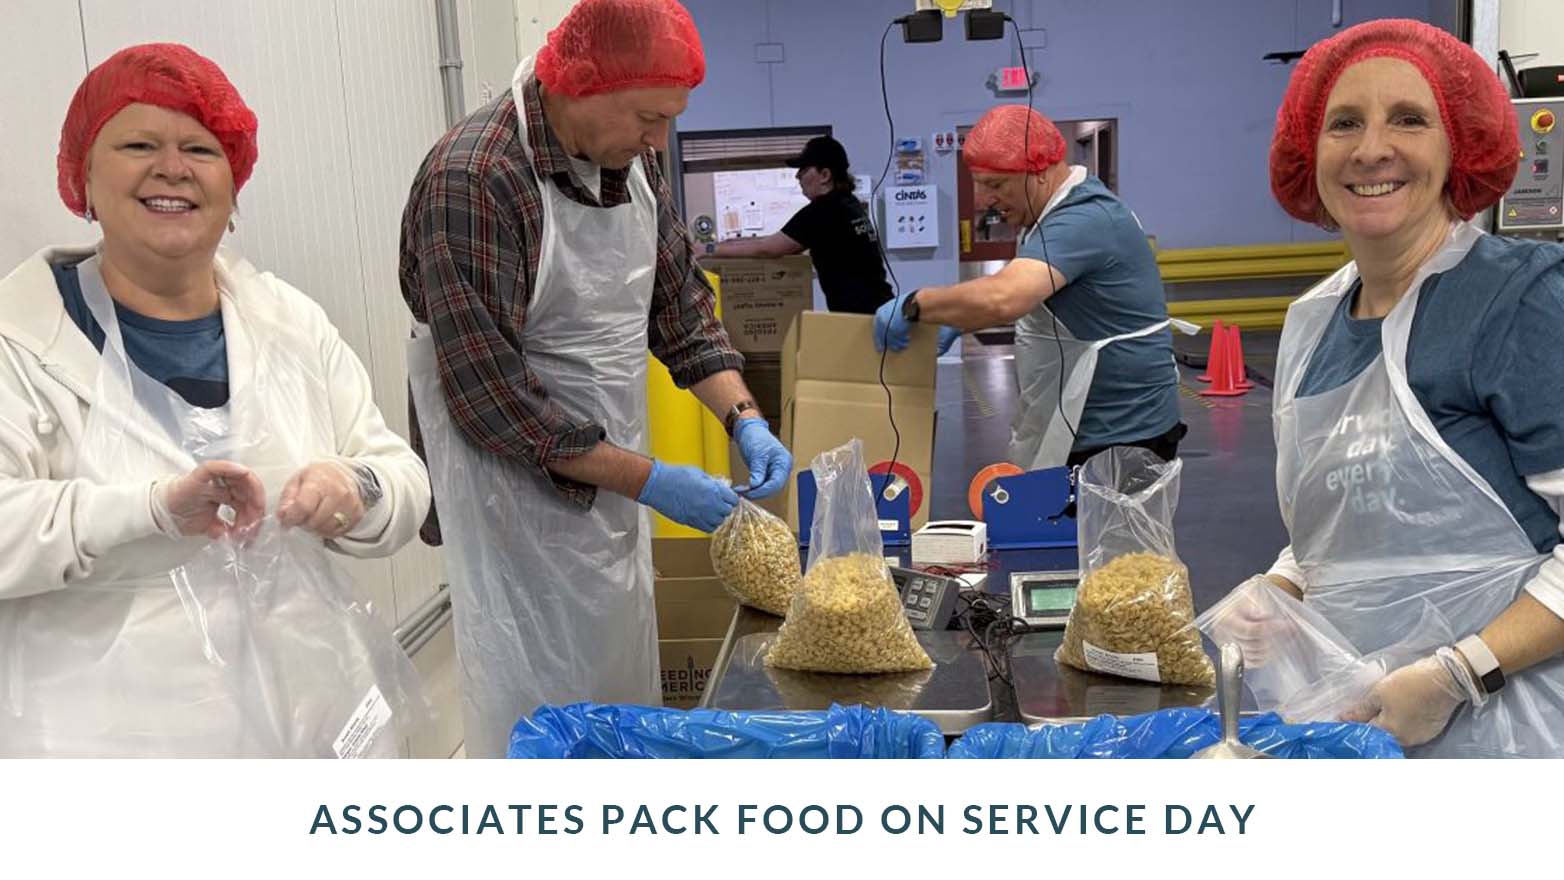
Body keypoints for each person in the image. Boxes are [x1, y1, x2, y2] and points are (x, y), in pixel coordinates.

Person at [0, 43, 432, 756]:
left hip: (315, 724)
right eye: (138, 143)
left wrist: (353, 486)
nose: (172, 167)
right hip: (111, 750)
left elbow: (400, 476)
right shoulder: (20, 338)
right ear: (82, 176)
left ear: (233, 185)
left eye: (201, 148)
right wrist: (150, 510)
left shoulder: (289, 322)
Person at [399, 0, 792, 758]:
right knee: (534, 707)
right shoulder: (476, 178)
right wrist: (650, 479)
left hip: (607, 477)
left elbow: (679, 303)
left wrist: (743, 415)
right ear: (577, 86)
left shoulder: (630, 162)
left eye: (670, 118)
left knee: (617, 696)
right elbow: (493, 399)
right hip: (508, 493)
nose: (660, 140)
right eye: (649, 117)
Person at [1227, 19, 1564, 756]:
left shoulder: (1518, 300)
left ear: (1459, 147)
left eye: (1408, 119)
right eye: (1344, 123)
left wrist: (1459, 674)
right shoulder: (1311, 322)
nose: (1371, 149)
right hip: (1355, 723)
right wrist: (1281, 590)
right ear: (1307, 153)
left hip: (1513, 736)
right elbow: (1347, 519)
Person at [871, 104, 1189, 472]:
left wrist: (916, 303)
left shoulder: (1083, 218)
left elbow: (1006, 296)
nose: (981, 201)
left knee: (1110, 532)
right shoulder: (1047, 215)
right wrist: (959, 321)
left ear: (1039, 172)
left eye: (994, 184)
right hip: (1085, 423)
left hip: (1123, 436)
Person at [708, 135, 893, 315]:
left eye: (804, 169)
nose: (797, 176)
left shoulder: (823, 211)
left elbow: (767, 249)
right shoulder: (849, 204)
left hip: (861, 320)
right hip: (881, 309)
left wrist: (707, 250)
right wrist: (728, 243)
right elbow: (777, 241)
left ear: (825, 175)